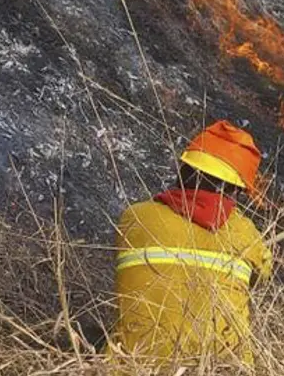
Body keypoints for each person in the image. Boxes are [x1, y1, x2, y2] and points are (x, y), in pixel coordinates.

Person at [109, 120, 271, 367]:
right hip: (221, 369)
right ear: (235, 190)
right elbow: (261, 278)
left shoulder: (135, 217)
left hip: (137, 366)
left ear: (183, 170)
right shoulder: (245, 233)